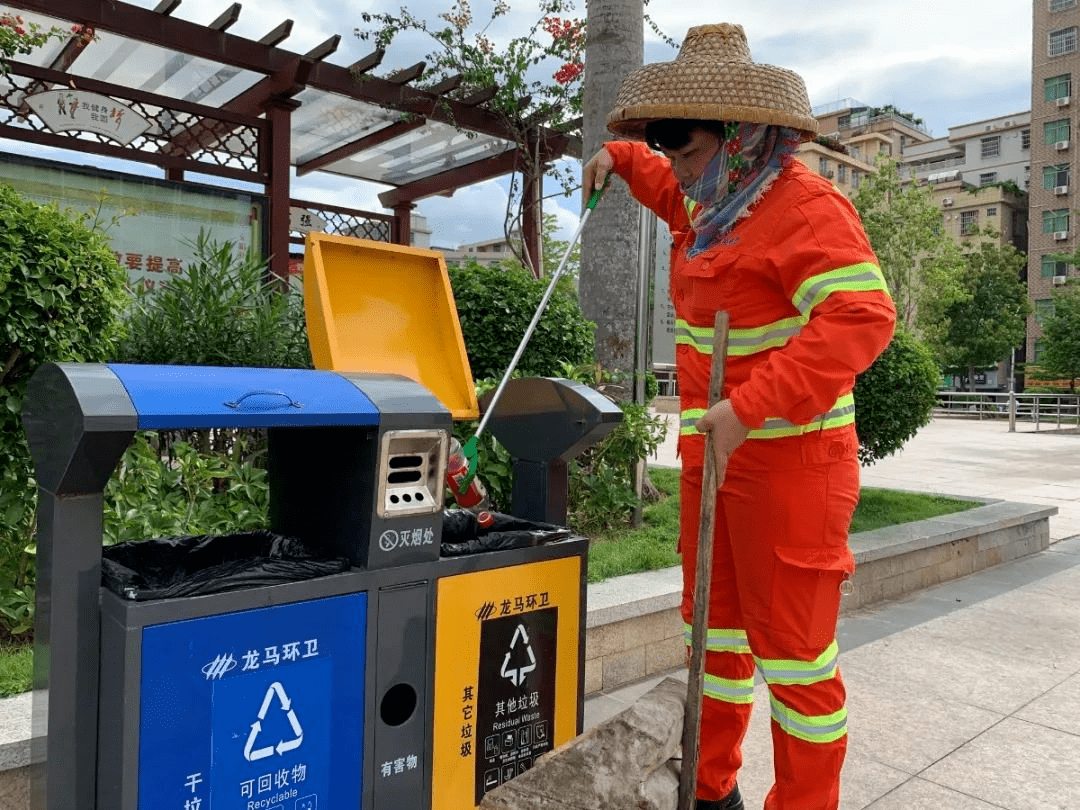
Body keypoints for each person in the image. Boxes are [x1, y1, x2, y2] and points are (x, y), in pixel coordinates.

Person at [582, 24, 896, 810]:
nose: (677, 173)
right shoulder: (711, 200)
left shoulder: (804, 209)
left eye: (685, 153)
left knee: (794, 661)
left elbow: (862, 318)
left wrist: (750, 407)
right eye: (670, 155)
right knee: (713, 642)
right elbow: (655, 177)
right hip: (713, 468)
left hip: (792, 472)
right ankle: (710, 788)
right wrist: (615, 158)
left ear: (739, 136)